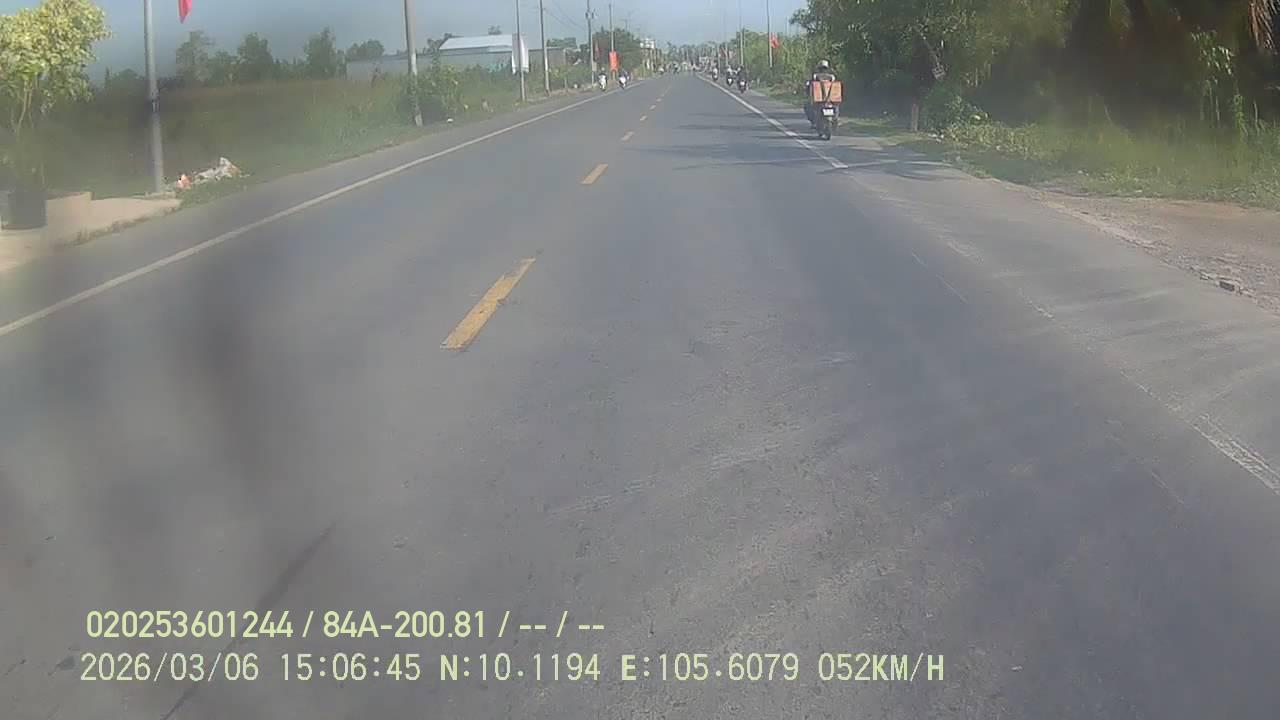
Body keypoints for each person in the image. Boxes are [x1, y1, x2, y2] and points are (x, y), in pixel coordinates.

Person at [805, 60, 837, 126]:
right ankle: (834, 120)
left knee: (808, 106)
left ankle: (814, 122)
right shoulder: (832, 77)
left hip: (820, 99)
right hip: (830, 99)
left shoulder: (815, 76)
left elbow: (809, 85)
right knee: (835, 107)